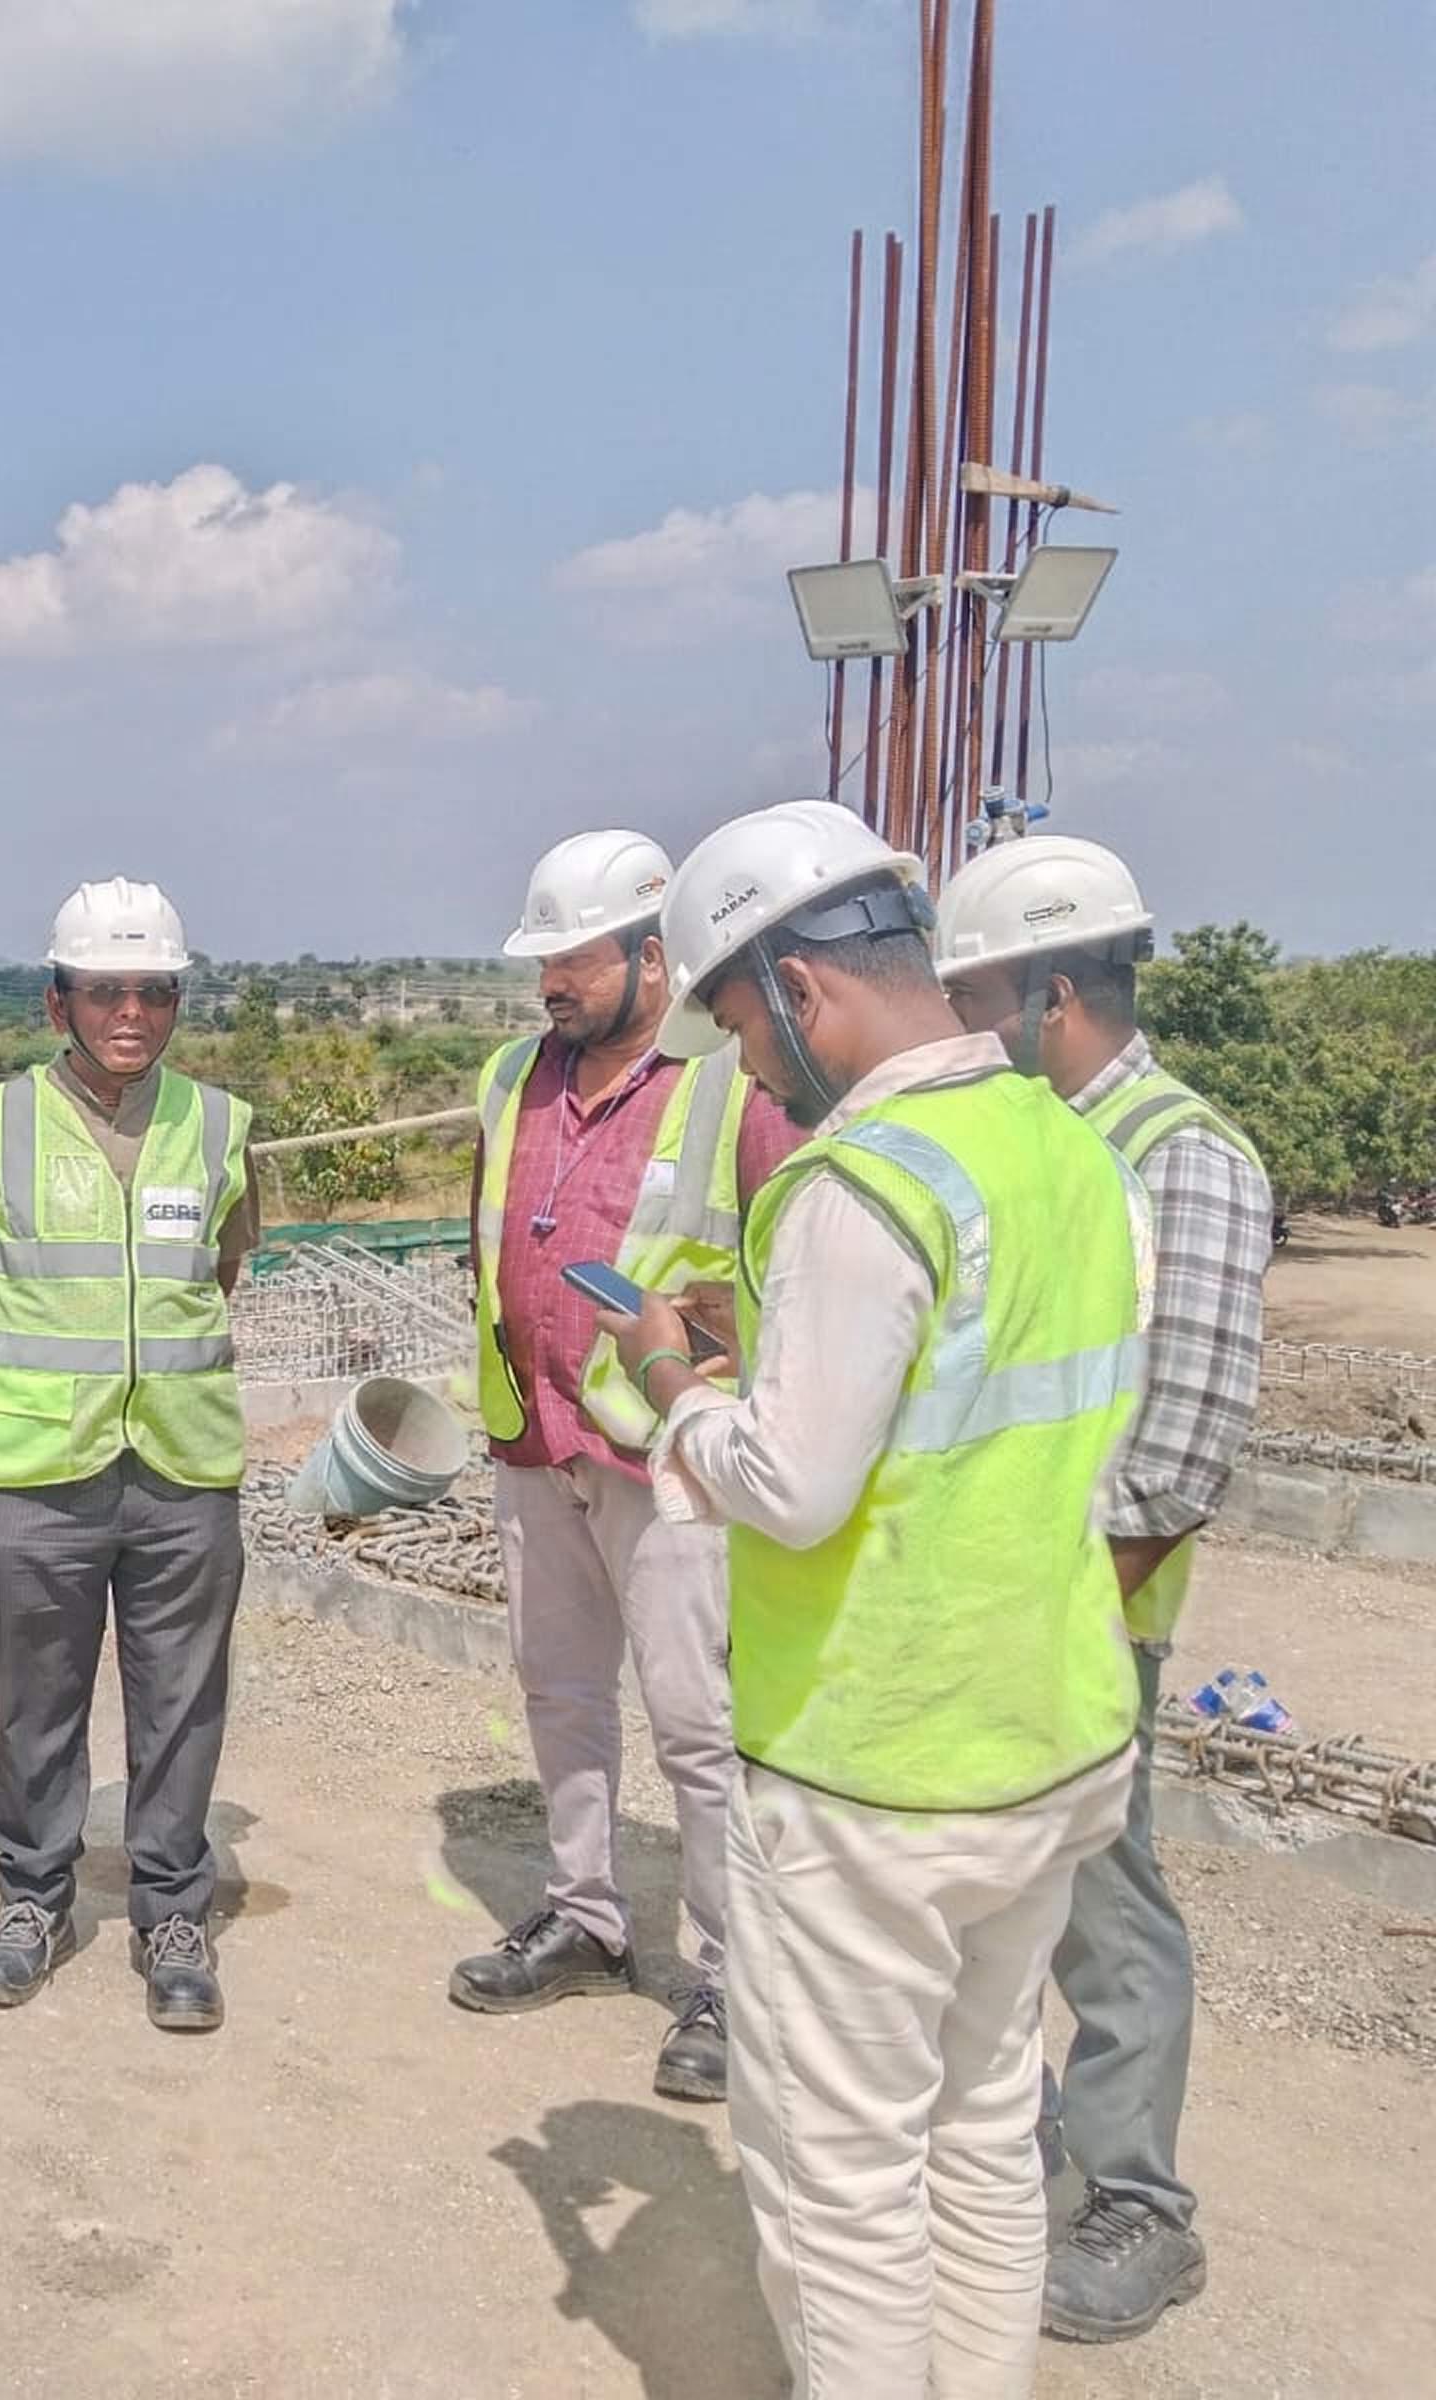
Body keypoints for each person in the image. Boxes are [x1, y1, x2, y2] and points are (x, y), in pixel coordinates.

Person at [588, 798, 1149, 2398]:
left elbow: (790, 1487)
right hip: (1048, 1737)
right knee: (980, 2126)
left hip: (877, 1772)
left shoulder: (860, 1184)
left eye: (741, 1030)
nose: (749, 1071)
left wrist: (673, 1377)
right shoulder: (1073, 1150)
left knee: (840, 2184)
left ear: (802, 988)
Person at [938, 834, 1271, 2345]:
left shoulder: (1179, 1155)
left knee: (1102, 1899)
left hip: (1088, 1609)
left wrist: (1065, 1611)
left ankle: (1142, 2206)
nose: (959, 1026)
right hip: (1001, 1597)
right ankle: (1025, 2149)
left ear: (1051, 996)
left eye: (974, 998)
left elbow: (1180, 1441)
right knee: (1006, 1892)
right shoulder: (1032, 1139)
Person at [452, 829, 794, 2105]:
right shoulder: (510, 1076)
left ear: (654, 957)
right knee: (558, 1694)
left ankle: (727, 1977)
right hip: (536, 1437)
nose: (549, 983)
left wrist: (713, 1353)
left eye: (573, 960)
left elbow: (784, 1266)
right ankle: (585, 1913)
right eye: (540, 961)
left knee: (698, 1727)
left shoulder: (730, 1084)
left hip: (668, 1460)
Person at [0, 878, 259, 2031]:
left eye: (152, 992)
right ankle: (31, 1902)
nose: (130, 1014)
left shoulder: (218, 1125)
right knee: (36, 1703)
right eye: (105, 992)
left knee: (181, 1703)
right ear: (57, 1002)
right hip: (35, 1472)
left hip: (181, 1470)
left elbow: (218, 1270)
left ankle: (171, 1915)